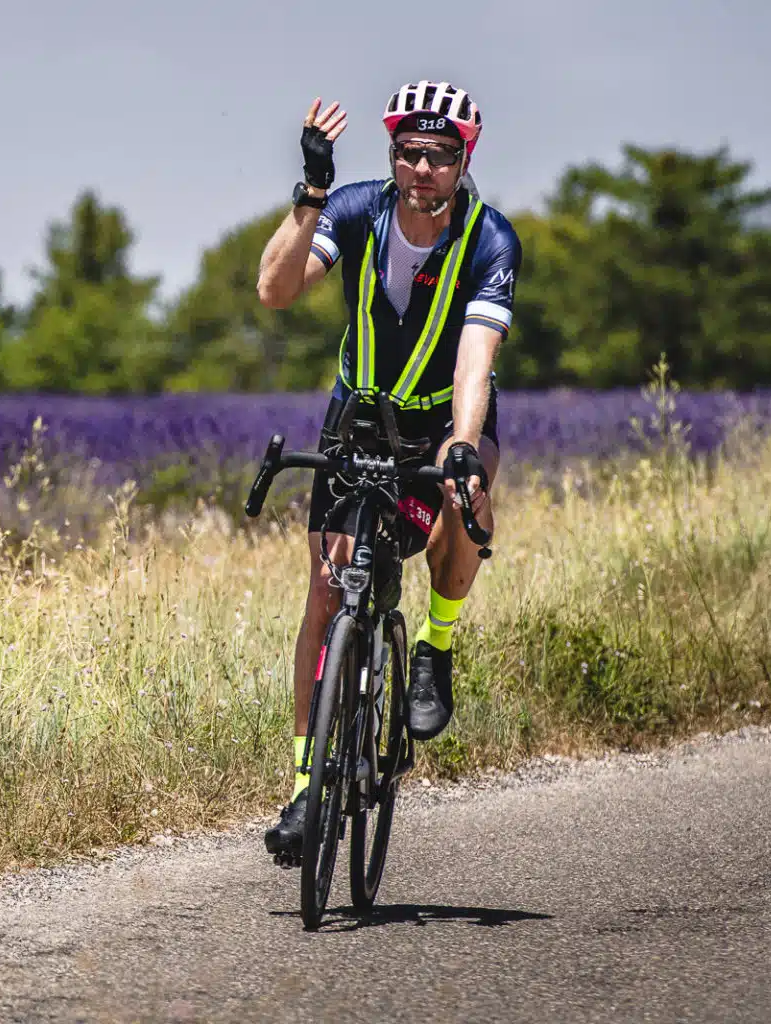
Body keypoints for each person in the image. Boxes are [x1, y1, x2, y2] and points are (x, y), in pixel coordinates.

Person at [254, 80, 522, 866]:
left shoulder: (488, 239)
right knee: (325, 590)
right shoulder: (355, 210)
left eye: (438, 155)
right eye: (408, 152)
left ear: (464, 159)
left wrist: (463, 444)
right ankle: (305, 789)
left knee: (466, 493)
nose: (421, 169)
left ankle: (435, 645)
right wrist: (311, 194)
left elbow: (476, 360)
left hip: (441, 418)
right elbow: (275, 290)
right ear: (392, 154)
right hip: (361, 416)